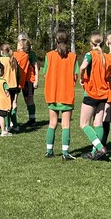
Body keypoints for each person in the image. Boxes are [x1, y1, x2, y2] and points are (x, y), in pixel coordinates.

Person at [79, 32, 111, 160]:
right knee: (98, 123)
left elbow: (82, 67)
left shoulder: (90, 55)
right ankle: (94, 152)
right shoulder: (107, 57)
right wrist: (107, 78)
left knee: (84, 124)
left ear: (91, 44)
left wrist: (81, 78)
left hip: (91, 93)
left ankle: (100, 147)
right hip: (103, 94)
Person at [42, 30, 78, 161]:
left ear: (55, 41)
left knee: (52, 123)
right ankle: (65, 152)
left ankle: (49, 151)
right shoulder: (72, 57)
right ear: (67, 41)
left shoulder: (49, 55)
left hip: (52, 94)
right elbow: (75, 75)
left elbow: (45, 74)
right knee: (66, 124)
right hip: (66, 94)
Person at [13, 33, 38, 127]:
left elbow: (36, 67)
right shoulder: (16, 54)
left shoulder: (30, 54)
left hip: (29, 80)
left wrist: (36, 80)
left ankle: (32, 119)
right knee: (16, 99)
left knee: (29, 99)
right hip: (19, 79)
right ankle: (13, 121)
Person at [0, 43, 21, 132]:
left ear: (2, 52)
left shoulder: (1, 60)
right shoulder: (14, 60)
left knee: (6, 107)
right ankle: (15, 125)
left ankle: (7, 125)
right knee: (12, 106)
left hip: (5, 85)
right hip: (13, 85)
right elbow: (18, 74)